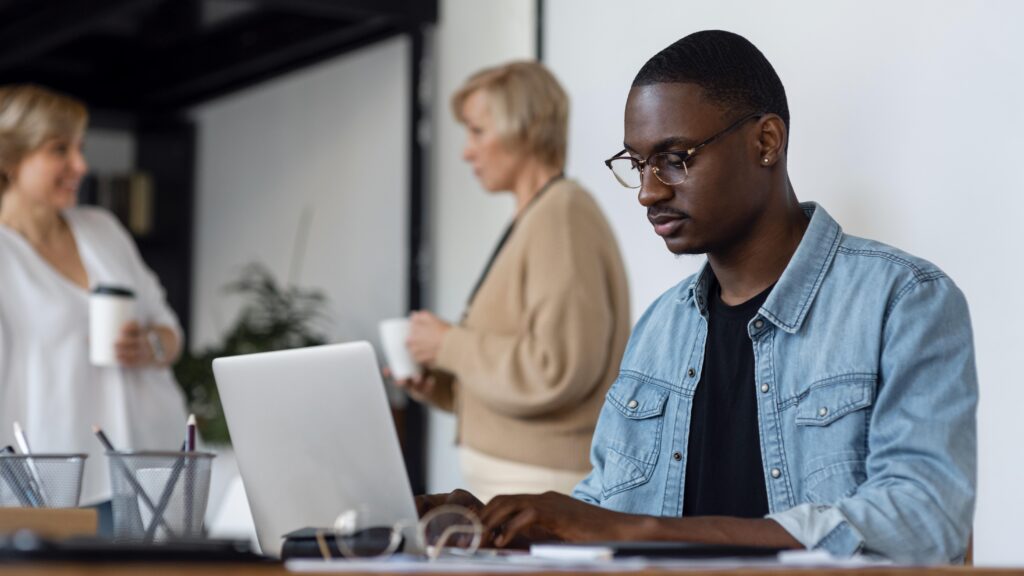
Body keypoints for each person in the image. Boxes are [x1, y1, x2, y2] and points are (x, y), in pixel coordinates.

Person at [420, 31, 977, 564]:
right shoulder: (661, 328)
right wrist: (497, 525)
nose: (648, 191)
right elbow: (603, 511)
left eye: (675, 158)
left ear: (766, 142)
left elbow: (925, 518)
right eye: (637, 164)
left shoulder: (904, 300)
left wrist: (640, 531)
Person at [395, 62, 631, 503]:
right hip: (522, 485)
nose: (467, 152)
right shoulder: (542, 215)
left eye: (477, 131)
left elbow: (557, 368)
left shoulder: (560, 215)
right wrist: (445, 385)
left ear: (525, 128)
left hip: (539, 487)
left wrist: (449, 345)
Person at [0, 85, 188, 522]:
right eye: (59, 150)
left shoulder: (102, 228)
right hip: (56, 486)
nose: (80, 166)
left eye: (80, 148)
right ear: (10, 158)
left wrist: (152, 346)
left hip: (150, 469)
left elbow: (169, 327)